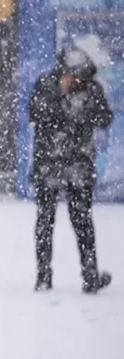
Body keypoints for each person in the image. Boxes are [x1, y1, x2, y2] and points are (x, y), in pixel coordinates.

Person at [29, 47, 113, 294]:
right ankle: (43, 276)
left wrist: (83, 108)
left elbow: (105, 117)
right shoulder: (46, 85)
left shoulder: (91, 88)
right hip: (49, 165)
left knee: (83, 222)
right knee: (45, 221)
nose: (75, 79)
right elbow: (35, 114)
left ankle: (90, 277)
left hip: (79, 165)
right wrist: (61, 96)